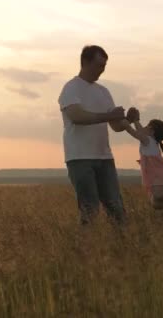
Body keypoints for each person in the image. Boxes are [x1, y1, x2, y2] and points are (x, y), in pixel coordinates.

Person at [58, 45, 137, 225]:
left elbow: (116, 126)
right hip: (80, 158)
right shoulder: (71, 88)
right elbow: (77, 116)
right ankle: (88, 248)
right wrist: (110, 116)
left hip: (104, 157)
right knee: (90, 209)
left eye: (104, 66)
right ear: (85, 62)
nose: (101, 70)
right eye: (98, 65)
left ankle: (122, 247)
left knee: (116, 208)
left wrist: (128, 119)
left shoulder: (103, 91)